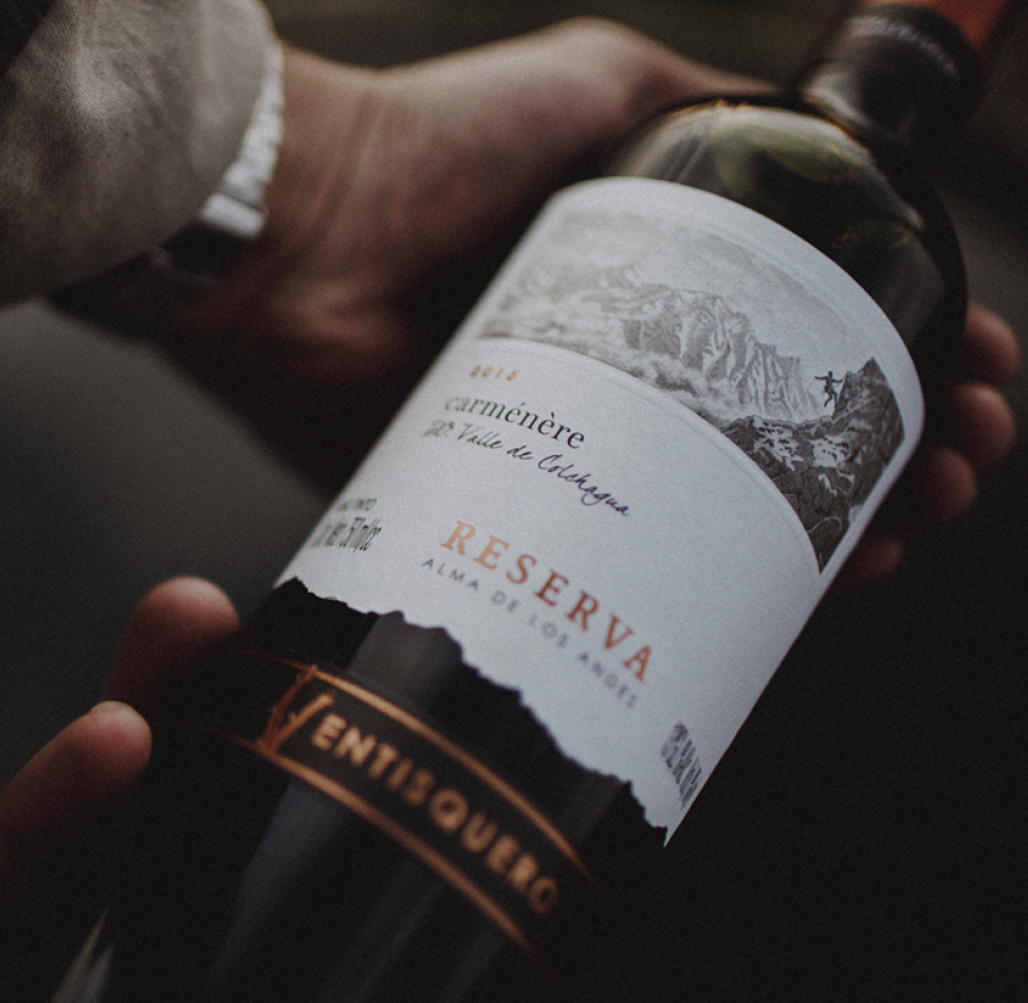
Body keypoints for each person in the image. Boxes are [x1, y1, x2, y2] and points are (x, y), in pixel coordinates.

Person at [0, 0, 1019, 971]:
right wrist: (307, 171)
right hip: (377, 764)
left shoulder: (907, 258)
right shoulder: (718, 144)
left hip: (519, 851)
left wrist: (302, 174)